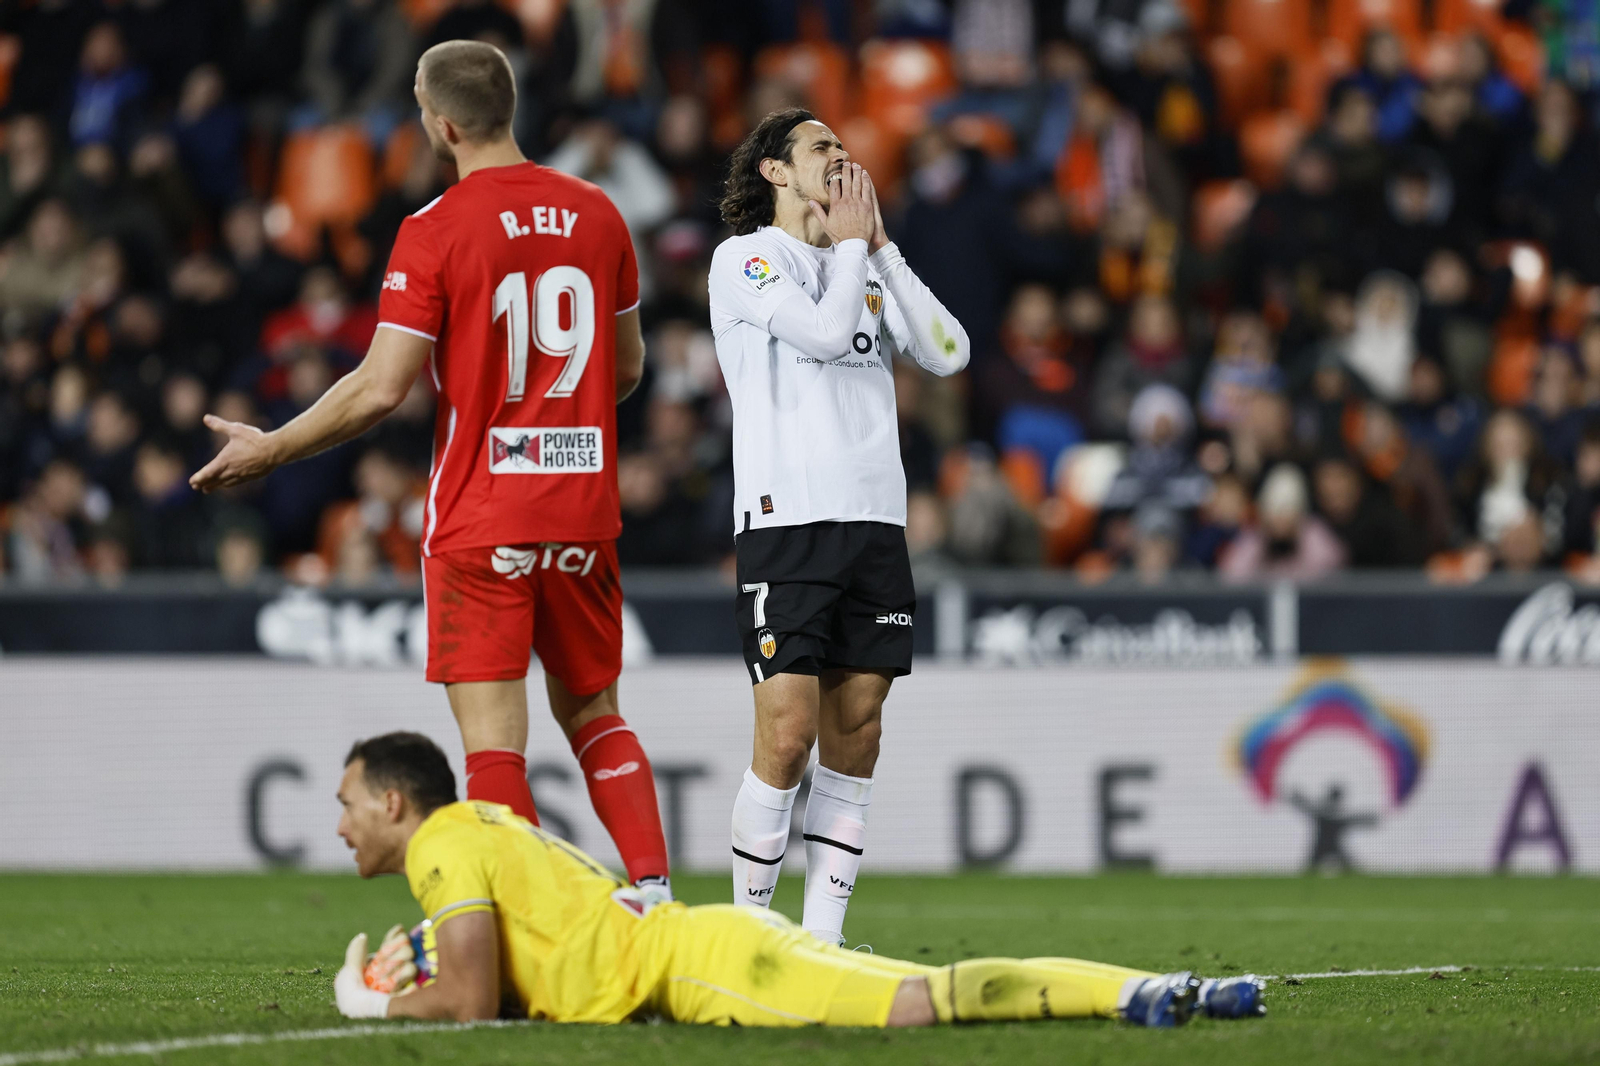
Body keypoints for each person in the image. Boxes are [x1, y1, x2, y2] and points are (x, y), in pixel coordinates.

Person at [189, 41, 674, 900]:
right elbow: (628, 369)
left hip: (484, 513)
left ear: (440, 123)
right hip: (581, 509)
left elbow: (379, 390)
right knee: (596, 716)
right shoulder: (600, 214)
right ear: (508, 106)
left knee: (495, 748)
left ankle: (525, 926)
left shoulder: (436, 228)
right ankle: (656, 891)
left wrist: (270, 447)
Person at [331, 731, 1267, 1027]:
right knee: (917, 994)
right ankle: (1149, 991)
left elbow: (472, 998)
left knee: (918, 1004)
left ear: (393, 802)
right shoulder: (484, 824)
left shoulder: (441, 847)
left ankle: (1138, 992)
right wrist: (416, 959)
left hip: (699, 966)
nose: (339, 825)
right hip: (698, 943)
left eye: (348, 804)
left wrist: (372, 1007)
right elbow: (506, 961)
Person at [707, 108, 971, 945]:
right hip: (789, 522)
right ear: (776, 172)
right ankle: (750, 937)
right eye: (822, 147)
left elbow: (949, 352)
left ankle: (820, 943)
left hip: (874, 524)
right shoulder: (745, 259)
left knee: (856, 736)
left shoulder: (864, 261)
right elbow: (823, 336)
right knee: (785, 737)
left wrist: (881, 250)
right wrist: (853, 250)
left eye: (845, 148)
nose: (841, 158)